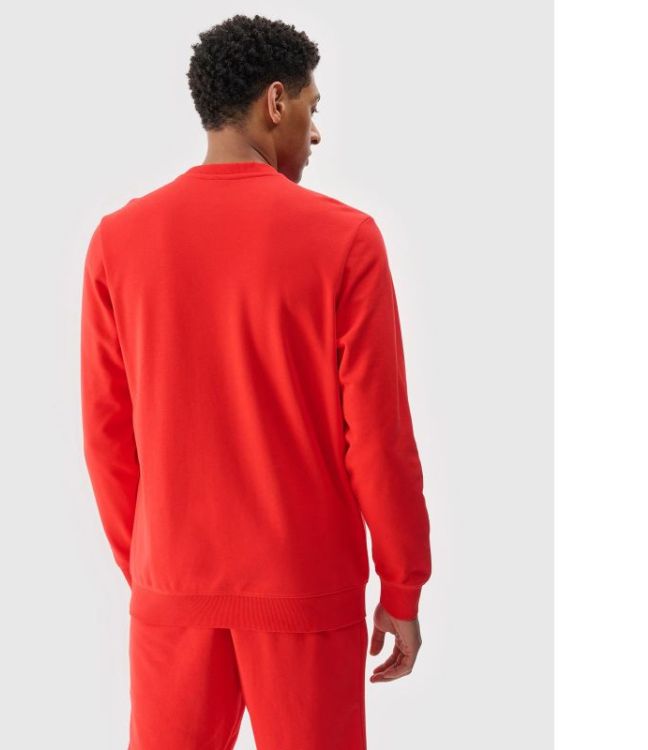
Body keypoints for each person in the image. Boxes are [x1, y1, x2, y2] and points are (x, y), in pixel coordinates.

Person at [80, 13, 432, 749]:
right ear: (276, 101)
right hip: (306, 592)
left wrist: (156, 572)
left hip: (173, 586)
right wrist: (402, 585)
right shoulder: (346, 240)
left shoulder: (118, 240)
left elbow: (107, 437)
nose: (315, 131)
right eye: (311, 106)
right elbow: (378, 438)